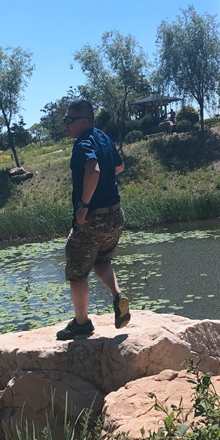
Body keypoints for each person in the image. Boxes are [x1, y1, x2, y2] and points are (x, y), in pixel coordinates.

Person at [57, 99, 130, 340]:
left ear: (85, 121)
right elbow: (119, 167)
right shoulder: (103, 137)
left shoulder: (83, 142)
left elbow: (94, 169)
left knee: (78, 272)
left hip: (94, 217)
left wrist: (84, 205)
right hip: (115, 215)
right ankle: (117, 296)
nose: (66, 124)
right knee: (101, 261)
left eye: (70, 120)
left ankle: (82, 323)